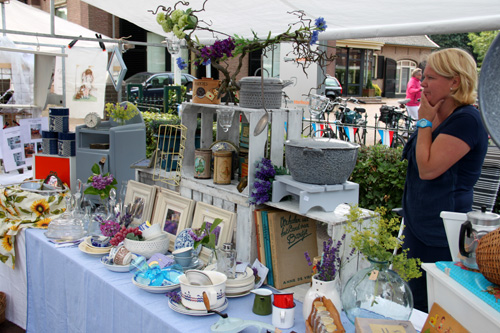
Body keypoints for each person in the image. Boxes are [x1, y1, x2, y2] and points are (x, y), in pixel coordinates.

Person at [401, 48, 488, 313]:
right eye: (423, 76)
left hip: (441, 234)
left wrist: (424, 122)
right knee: (412, 301)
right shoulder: (438, 114)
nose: (423, 83)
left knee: (432, 307)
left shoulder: (467, 121)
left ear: (455, 82)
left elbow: (427, 169)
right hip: (417, 225)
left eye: (431, 77)